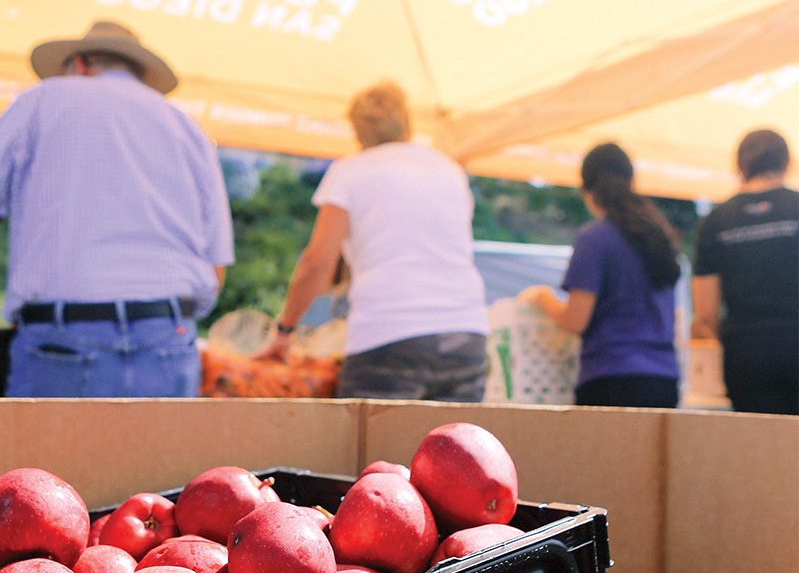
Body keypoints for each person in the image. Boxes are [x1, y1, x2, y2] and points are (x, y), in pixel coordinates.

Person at [0, 20, 234, 398]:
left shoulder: (43, 100)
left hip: (64, 337)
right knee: (164, 461)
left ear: (78, 64)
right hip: (169, 337)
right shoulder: (186, 126)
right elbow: (216, 265)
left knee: (49, 461)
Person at [259, 81, 488, 400]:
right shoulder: (450, 169)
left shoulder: (350, 171)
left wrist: (284, 330)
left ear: (358, 133)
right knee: (453, 448)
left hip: (388, 335)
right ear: (407, 122)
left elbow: (317, 263)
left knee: (375, 450)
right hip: (467, 333)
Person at [521, 142, 681, 407]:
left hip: (612, 379)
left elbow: (575, 320)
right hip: (663, 380)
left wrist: (542, 298)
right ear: (631, 181)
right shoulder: (660, 235)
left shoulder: (594, 238)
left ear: (587, 189)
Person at [691, 128, 798, 415]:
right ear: (788, 162)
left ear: (740, 166)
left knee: (760, 449)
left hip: (746, 351)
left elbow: (705, 313)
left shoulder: (716, 220)